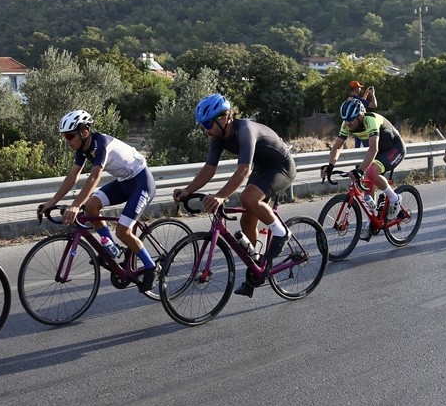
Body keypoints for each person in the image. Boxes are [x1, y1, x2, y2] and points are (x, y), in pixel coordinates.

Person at [173, 94, 296, 297]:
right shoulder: (217, 136)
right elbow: (209, 169)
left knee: (248, 197)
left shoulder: (245, 130)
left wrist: (221, 196)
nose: (205, 130)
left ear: (224, 118)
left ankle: (281, 233)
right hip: (262, 168)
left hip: (281, 167)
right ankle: (257, 267)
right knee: (246, 220)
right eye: (202, 125)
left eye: (207, 124)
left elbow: (244, 170)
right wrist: (187, 190)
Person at [37, 110, 158, 293]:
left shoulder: (101, 144)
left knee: (122, 231)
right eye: (64, 136)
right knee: (91, 207)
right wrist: (52, 201)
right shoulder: (82, 149)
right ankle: (112, 248)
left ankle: (151, 267)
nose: (66, 141)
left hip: (142, 182)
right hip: (124, 182)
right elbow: (73, 176)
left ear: (84, 132)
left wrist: (75, 205)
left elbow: (94, 178)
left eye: (69, 136)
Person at [321, 99, 406, 223]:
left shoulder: (370, 121)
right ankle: (371, 221)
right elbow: (337, 146)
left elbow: (373, 148)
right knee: (367, 185)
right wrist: (330, 165)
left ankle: (394, 198)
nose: (347, 123)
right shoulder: (346, 124)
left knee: (370, 172)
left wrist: (360, 170)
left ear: (360, 116)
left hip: (394, 149)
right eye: (345, 119)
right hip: (379, 152)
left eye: (351, 119)